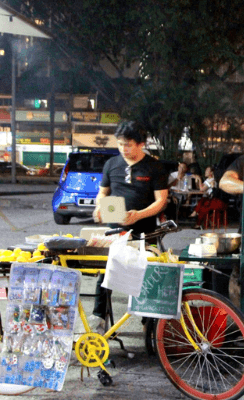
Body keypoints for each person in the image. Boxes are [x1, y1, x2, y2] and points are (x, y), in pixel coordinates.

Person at [89, 120, 169, 334]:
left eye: (128, 144)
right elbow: (103, 193)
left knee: (146, 276)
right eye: (120, 144)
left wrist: (139, 215)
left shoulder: (154, 167)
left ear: (141, 144)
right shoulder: (111, 165)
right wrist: (99, 207)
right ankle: (99, 318)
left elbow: (161, 200)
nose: (123, 149)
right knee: (105, 274)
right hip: (115, 231)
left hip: (145, 232)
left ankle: (149, 322)